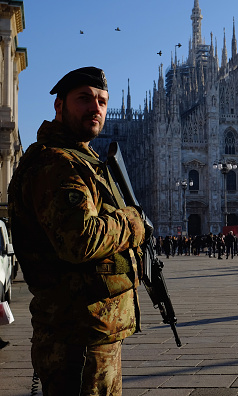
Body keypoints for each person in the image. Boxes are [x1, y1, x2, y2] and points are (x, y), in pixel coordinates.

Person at [7, 67, 149, 394]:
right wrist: (132, 222)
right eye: (84, 99)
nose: (95, 108)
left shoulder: (80, 158)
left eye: (101, 101)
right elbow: (80, 241)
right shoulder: (58, 163)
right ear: (59, 106)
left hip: (92, 330)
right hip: (77, 336)